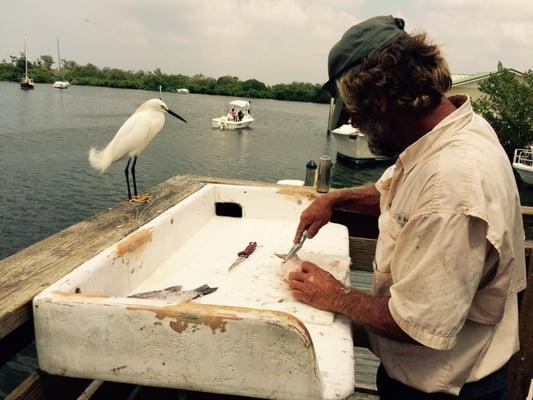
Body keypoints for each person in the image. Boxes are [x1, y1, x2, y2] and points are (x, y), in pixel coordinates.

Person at [288, 15, 527, 400]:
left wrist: (334, 295)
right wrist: (336, 198)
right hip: (437, 376)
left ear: (380, 101)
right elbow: (397, 191)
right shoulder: (452, 130)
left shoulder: (453, 182)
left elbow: (418, 321)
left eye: (355, 115)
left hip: (448, 387)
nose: (356, 125)